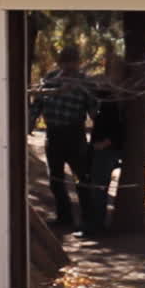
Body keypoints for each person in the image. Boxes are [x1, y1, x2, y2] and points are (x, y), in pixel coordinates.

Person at [29, 46, 98, 227]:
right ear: (60, 62)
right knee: (56, 179)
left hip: (74, 134)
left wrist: (101, 134)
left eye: (73, 62)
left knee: (81, 178)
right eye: (66, 62)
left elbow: (94, 111)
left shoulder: (85, 83)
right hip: (53, 134)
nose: (69, 66)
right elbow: (37, 104)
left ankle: (88, 222)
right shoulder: (50, 79)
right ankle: (64, 217)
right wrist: (30, 121)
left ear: (78, 63)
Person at [78, 55, 127, 238]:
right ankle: (93, 224)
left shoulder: (118, 97)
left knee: (98, 188)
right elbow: (91, 87)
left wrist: (105, 144)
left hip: (107, 149)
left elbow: (120, 127)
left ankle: (94, 227)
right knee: (95, 187)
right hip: (101, 146)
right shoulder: (108, 94)